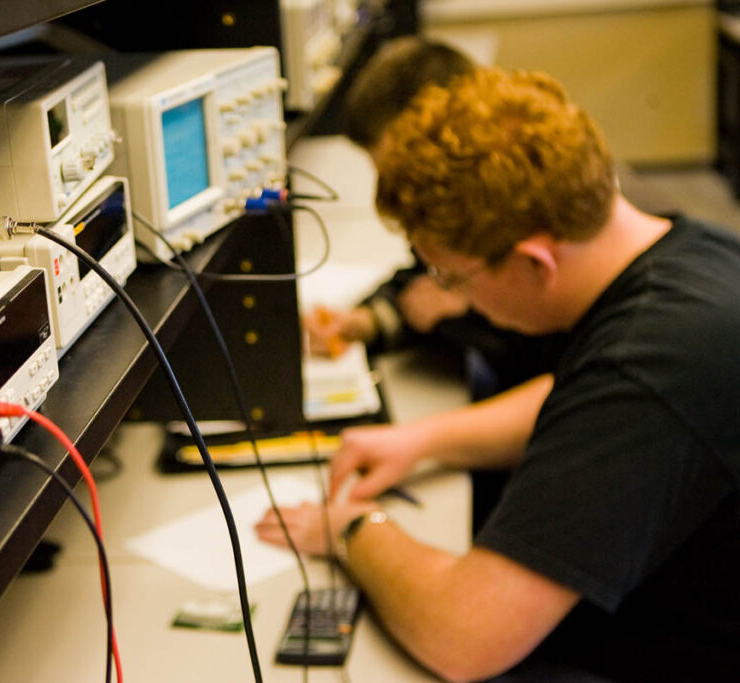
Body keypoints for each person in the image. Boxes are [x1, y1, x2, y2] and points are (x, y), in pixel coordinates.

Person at [258, 67, 740, 681]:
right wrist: (424, 439)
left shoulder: (647, 365)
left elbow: (465, 635)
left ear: (534, 263)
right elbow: (578, 394)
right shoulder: (690, 254)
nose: (451, 296)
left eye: (451, 279)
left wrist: (353, 529)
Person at [304, 37, 558, 398]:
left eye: (402, 172)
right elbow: (426, 282)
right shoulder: (465, 206)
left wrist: (468, 309)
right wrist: (372, 320)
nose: (401, 194)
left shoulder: (524, 208)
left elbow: (553, 365)